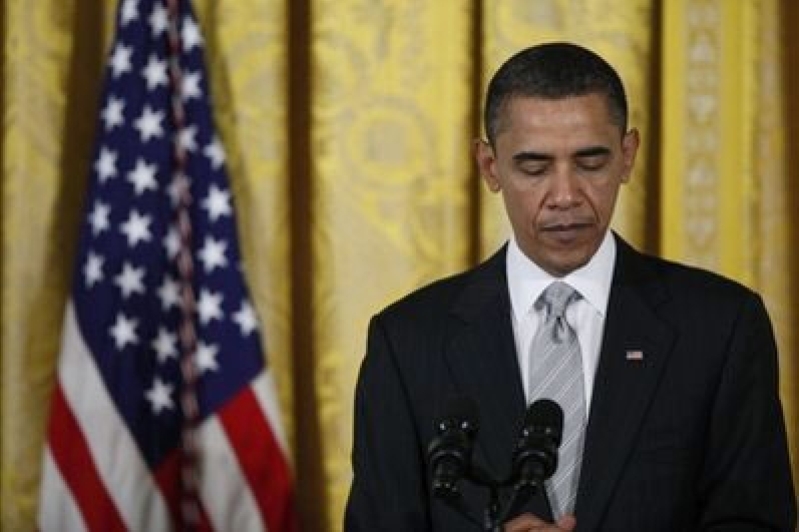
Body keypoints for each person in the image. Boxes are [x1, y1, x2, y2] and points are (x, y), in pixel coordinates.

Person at [344, 42, 797, 531]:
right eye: (534, 168)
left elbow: (757, 522)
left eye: (591, 163)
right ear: (490, 166)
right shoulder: (408, 341)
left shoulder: (721, 326)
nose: (565, 196)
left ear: (627, 156)